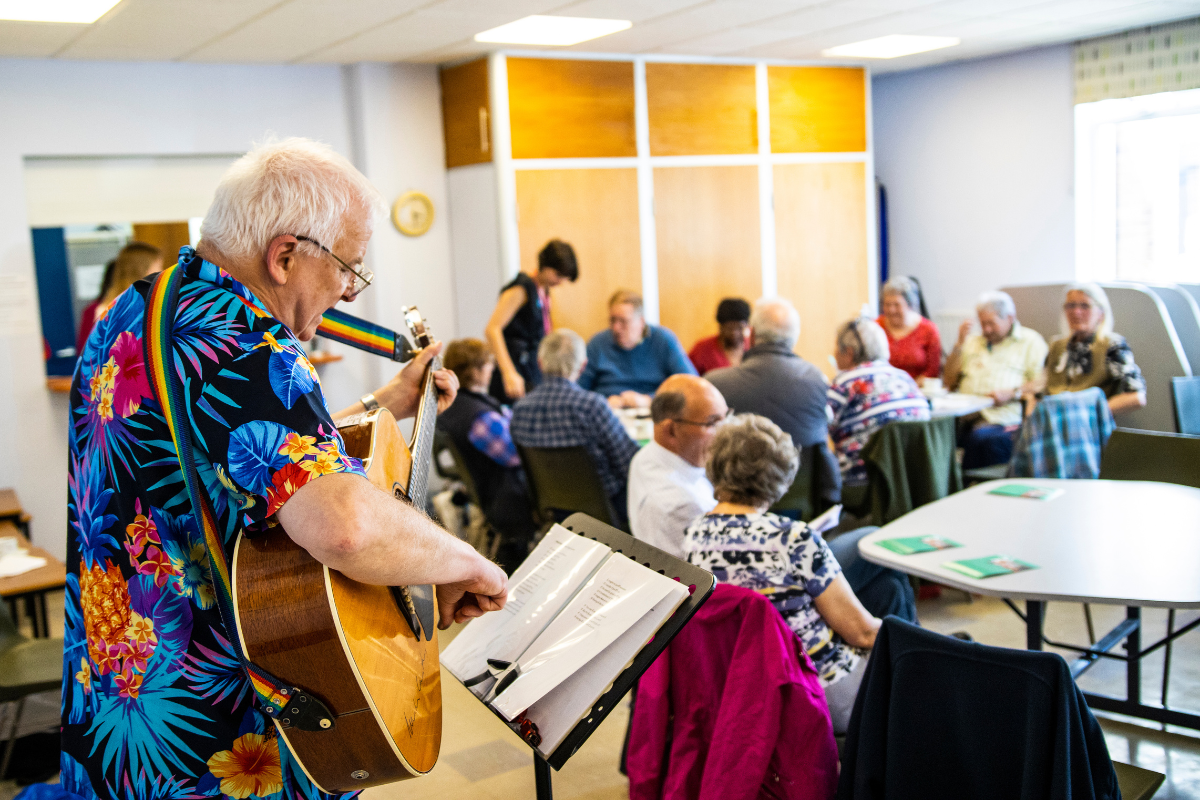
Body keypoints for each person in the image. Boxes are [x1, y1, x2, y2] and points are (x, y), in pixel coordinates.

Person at [62, 138, 507, 800]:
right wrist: (465, 561)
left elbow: (235, 454)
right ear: (284, 255)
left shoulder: (138, 309)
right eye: (348, 269)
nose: (349, 292)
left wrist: (385, 404)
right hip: (210, 740)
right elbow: (343, 525)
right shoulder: (246, 342)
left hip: (116, 710)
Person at [683, 414, 881, 735]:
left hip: (746, 688)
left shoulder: (693, 536)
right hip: (815, 688)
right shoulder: (792, 538)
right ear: (781, 477)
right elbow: (862, 633)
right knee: (906, 663)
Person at [511, 329, 640, 528]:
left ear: (540, 363)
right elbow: (630, 463)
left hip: (553, 512)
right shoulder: (591, 406)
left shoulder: (519, 410)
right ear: (582, 366)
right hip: (607, 511)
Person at [437, 338, 538, 574]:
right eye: (488, 365)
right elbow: (517, 456)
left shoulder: (455, 404)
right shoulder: (479, 417)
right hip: (507, 499)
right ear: (475, 371)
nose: (492, 369)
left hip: (486, 494)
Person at [943, 291, 1049, 468]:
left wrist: (1013, 393)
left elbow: (1041, 382)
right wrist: (959, 343)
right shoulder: (973, 341)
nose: (986, 330)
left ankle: (969, 485)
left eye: (991, 323)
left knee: (980, 438)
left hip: (1001, 415)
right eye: (982, 323)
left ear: (1010, 318)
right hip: (963, 414)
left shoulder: (1030, 341)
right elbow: (949, 380)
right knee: (934, 434)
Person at [706, 297, 828, 448]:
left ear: (752, 335)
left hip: (739, 470)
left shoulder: (714, 385)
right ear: (794, 338)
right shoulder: (818, 380)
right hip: (799, 471)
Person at [626, 374, 726, 558]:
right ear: (671, 431)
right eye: (712, 423)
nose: (725, 432)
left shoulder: (645, 456)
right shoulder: (684, 506)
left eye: (725, 419)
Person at [828, 318, 931, 484]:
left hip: (866, 479)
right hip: (913, 480)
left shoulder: (845, 383)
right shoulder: (905, 378)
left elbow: (816, 427)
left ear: (849, 353)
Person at [1027, 282, 1147, 416]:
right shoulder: (1057, 346)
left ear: (1101, 313)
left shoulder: (1112, 345)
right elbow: (1038, 392)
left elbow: (1136, 397)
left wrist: (1089, 415)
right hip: (1052, 422)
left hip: (1087, 424)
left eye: (1085, 306)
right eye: (1070, 306)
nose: (1076, 312)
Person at [484, 239, 578, 404]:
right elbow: (492, 329)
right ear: (546, 266)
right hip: (515, 368)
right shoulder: (521, 289)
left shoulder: (545, 291)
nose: (561, 281)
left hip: (531, 369)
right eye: (558, 275)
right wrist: (509, 373)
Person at [578, 289, 696, 408]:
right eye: (612, 320)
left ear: (641, 322)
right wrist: (601, 402)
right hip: (607, 413)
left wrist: (649, 400)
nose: (616, 328)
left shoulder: (663, 340)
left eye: (623, 321)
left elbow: (691, 384)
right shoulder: (597, 343)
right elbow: (578, 388)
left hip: (652, 412)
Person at [76, 242, 164, 352]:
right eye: (158, 267)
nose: (162, 273)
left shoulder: (157, 305)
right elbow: (86, 356)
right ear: (143, 270)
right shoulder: (100, 310)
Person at [877, 275, 942, 383]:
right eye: (887, 305)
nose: (891, 310)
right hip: (882, 388)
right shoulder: (875, 327)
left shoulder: (928, 329)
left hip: (917, 390)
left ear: (909, 305)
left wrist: (907, 388)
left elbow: (933, 372)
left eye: (897, 305)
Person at [687, 297, 751, 375]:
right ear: (720, 327)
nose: (734, 332)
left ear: (747, 326)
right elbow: (689, 378)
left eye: (739, 328)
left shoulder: (753, 347)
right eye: (729, 328)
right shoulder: (702, 350)